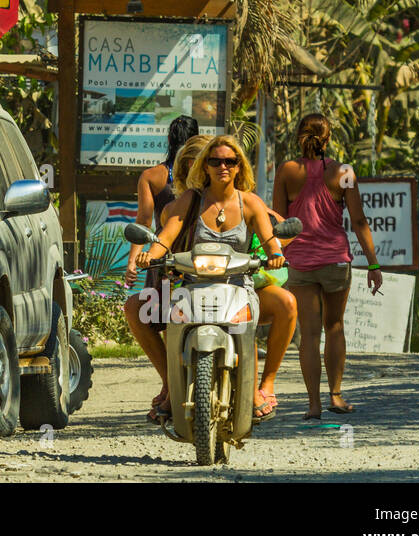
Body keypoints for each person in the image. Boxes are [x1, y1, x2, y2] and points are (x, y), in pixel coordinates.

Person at [133, 135, 289, 423]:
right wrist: (150, 254)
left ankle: (255, 390)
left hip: (238, 286)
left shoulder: (251, 203)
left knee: (245, 326)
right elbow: (167, 234)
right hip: (193, 284)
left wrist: (275, 253)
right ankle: (171, 386)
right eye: (215, 161)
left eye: (230, 161)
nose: (223, 167)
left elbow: (270, 240)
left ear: (240, 166)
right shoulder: (191, 200)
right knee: (172, 320)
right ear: (205, 167)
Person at [273, 113, 381, 420]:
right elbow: (359, 220)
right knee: (334, 327)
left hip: (301, 261)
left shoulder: (286, 171)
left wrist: (274, 256)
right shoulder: (344, 172)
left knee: (308, 334)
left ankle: (313, 405)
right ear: (328, 138)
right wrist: (374, 264)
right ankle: (335, 396)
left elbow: (279, 221)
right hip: (335, 259)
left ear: (298, 136)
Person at [122, 119, 201, 421]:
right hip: (198, 259)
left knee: (166, 323)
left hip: (164, 262)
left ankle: (170, 386)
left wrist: (134, 260)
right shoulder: (206, 177)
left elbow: (143, 220)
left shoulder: (152, 176)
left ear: (168, 139)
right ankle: (174, 388)